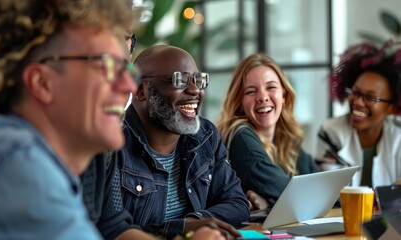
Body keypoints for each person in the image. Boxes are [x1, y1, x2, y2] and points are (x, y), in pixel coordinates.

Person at [0, 0, 141, 238]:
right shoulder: (17, 162)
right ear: (42, 83)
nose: (129, 85)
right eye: (107, 66)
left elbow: (113, 225)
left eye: (126, 69)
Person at [103, 44, 249, 239]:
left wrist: (197, 222)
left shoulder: (205, 136)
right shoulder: (110, 146)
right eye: (180, 80)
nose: (195, 90)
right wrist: (182, 227)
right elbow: (111, 230)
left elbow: (237, 203)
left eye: (198, 80)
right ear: (140, 90)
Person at [216, 53, 320, 209]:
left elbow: (323, 188)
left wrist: (268, 202)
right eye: (251, 91)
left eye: (271, 87)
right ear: (239, 101)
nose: (263, 97)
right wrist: (276, 199)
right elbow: (290, 193)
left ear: (284, 94)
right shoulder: (239, 135)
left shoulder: (284, 137)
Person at [315, 40, 401, 188]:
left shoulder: (398, 135)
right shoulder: (331, 133)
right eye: (355, 92)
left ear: (391, 108)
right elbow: (332, 193)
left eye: (370, 97)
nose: (358, 102)